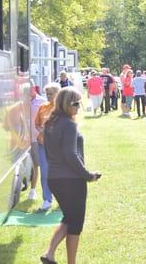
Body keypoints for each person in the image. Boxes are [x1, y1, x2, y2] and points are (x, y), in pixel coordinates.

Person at [40, 87, 101, 264]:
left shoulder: (50, 122)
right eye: (76, 104)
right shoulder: (69, 124)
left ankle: (49, 254)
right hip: (71, 181)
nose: (78, 107)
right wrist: (88, 175)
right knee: (75, 224)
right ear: (67, 104)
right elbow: (70, 154)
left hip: (54, 179)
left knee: (68, 217)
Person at [35, 82, 61, 211]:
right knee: (45, 172)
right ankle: (47, 199)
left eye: (51, 94)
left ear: (58, 94)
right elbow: (37, 124)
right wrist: (42, 129)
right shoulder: (42, 107)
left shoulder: (63, 107)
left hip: (59, 146)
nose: (48, 96)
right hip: (43, 144)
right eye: (47, 94)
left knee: (60, 172)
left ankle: (62, 198)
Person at [29, 80, 47, 201]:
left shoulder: (41, 102)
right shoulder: (19, 102)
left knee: (36, 165)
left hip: (35, 138)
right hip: (20, 140)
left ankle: (32, 190)